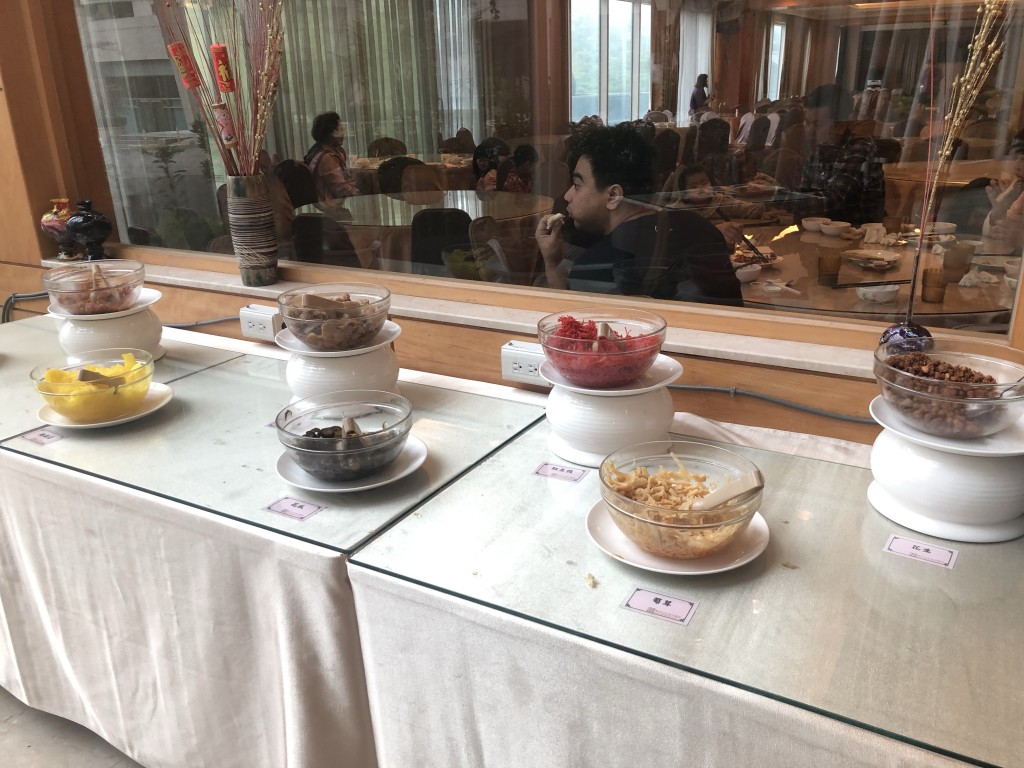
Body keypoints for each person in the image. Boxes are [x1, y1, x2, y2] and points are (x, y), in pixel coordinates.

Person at [536, 124, 741, 305]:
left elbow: (572, 324)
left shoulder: (599, 265)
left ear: (613, 196)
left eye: (577, 184)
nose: (568, 195)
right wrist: (554, 262)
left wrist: (553, 267)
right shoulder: (699, 225)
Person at [796, 83, 885, 226]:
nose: (809, 131)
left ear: (841, 124)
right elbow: (803, 196)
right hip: (818, 234)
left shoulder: (860, 148)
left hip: (857, 235)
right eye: (807, 123)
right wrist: (772, 188)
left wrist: (775, 195)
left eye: (817, 124)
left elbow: (833, 200)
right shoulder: (819, 149)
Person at [664, 164, 773, 247]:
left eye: (704, 183)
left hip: (722, 248)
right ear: (684, 192)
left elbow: (744, 208)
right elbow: (668, 230)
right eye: (693, 186)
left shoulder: (721, 201)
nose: (700, 189)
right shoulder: (678, 209)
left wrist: (761, 210)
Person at [302, 112, 358, 201]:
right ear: (329, 133)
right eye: (340, 130)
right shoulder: (326, 158)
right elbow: (341, 190)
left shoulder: (316, 150)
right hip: (329, 205)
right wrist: (360, 194)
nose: (343, 134)